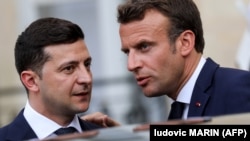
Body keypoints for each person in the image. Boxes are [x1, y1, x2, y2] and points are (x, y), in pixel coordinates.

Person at [117, 0, 250, 120]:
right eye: (127, 52)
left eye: (144, 46)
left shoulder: (238, 89)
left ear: (185, 43)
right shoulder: (177, 111)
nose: (131, 65)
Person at [0, 17, 118, 141]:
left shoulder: (107, 136)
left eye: (87, 65)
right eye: (68, 68)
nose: (86, 78)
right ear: (31, 81)